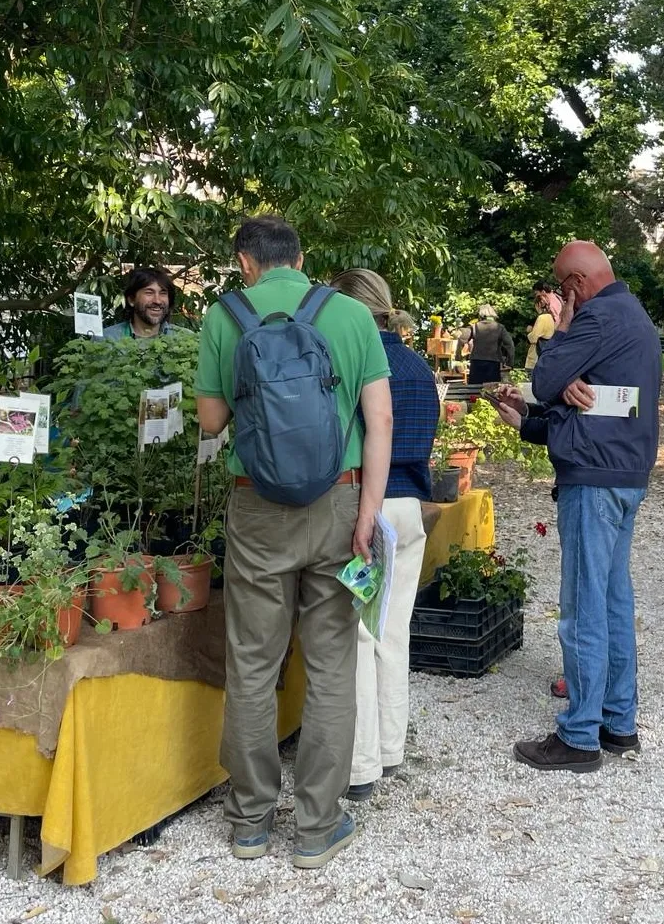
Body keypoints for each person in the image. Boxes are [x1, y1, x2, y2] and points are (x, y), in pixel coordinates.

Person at [195, 216, 392, 870]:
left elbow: (211, 419)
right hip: (337, 500)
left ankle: (249, 822)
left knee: (253, 661)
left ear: (245, 263)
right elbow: (380, 416)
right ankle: (315, 826)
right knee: (331, 663)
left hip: (256, 505)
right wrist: (367, 511)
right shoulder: (350, 315)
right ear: (301, 260)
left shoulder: (224, 316)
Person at [492, 242, 660, 773]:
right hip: (623, 472)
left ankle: (580, 734)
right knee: (612, 599)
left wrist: (562, 328)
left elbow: (543, 380)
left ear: (576, 285)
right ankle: (618, 720)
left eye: (565, 292)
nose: (564, 302)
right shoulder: (635, 318)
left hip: (592, 481)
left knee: (584, 605)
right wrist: (536, 418)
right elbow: (607, 405)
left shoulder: (596, 317)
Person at [329, 270, 437, 804]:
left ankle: (360, 762)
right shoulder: (418, 366)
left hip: (368, 508)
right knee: (394, 632)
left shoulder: (357, 363)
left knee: (358, 637)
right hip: (411, 507)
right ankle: (389, 747)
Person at [104, 267, 189, 339]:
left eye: (163, 293)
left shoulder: (185, 339)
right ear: (131, 300)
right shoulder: (107, 340)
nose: (157, 301)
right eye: (149, 293)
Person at [466, 305, 514, 386]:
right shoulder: (500, 327)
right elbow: (510, 345)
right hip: (493, 363)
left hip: (476, 362)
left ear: (480, 314)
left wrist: (458, 357)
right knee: (492, 390)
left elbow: (461, 339)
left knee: (474, 390)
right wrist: (510, 363)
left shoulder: (474, 327)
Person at [526, 286, 557, 369]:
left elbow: (534, 337)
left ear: (538, 305)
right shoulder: (551, 317)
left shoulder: (542, 318)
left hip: (536, 357)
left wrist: (529, 332)